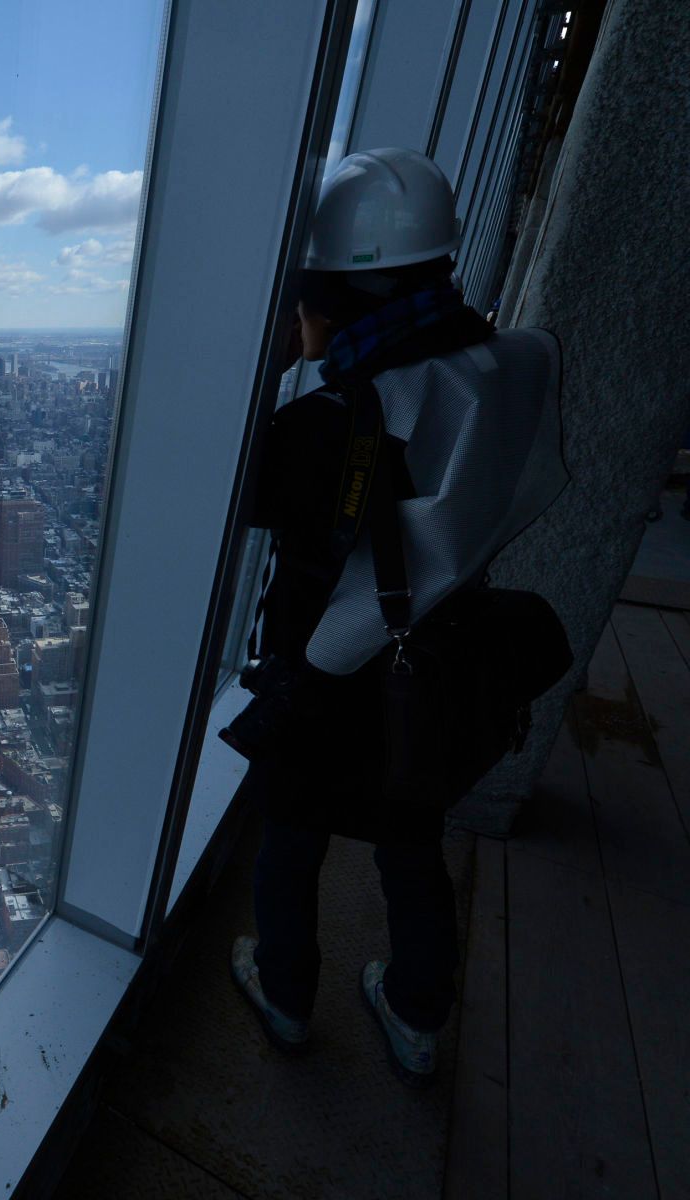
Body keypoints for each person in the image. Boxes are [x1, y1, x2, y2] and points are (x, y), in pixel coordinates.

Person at [227, 148, 541, 1087]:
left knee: (290, 838)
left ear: (329, 291)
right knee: (411, 844)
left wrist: (272, 364)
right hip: (434, 654)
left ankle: (284, 998)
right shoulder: (500, 361)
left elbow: (240, 495)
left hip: (331, 665)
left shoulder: (335, 421)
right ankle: (414, 1014)